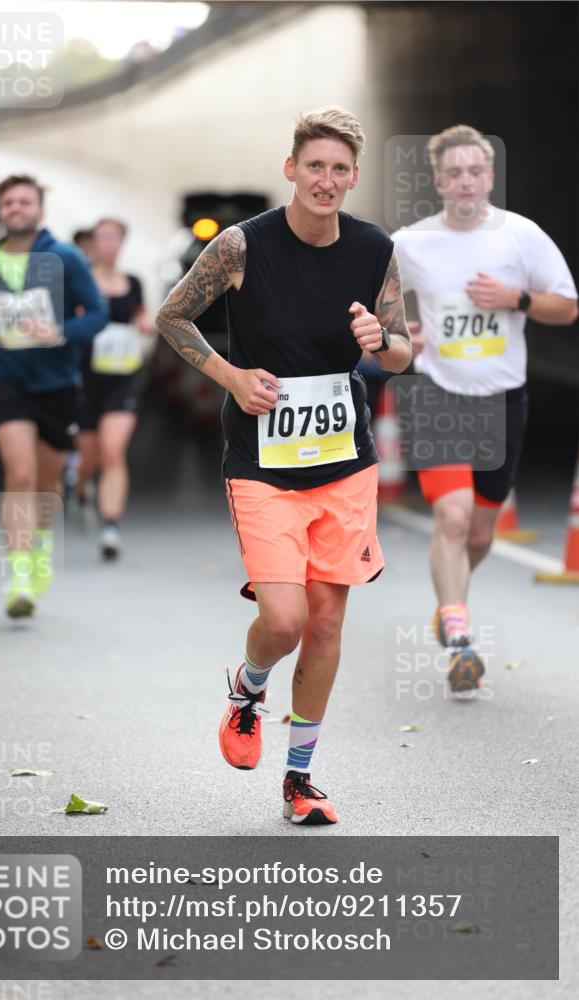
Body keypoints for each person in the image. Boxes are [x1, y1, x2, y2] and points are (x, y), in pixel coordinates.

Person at [157, 107, 412, 825]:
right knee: (284, 618)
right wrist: (231, 376)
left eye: (339, 169)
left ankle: (299, 780)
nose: (325, 180)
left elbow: (400, 352)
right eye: (314, 166)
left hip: (343, 462)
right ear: (291, 168)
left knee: (325, 625)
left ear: (353, 177)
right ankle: (247, 686)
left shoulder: (373, 248)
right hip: (262, 461)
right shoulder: (241, 246)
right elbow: (172, 316)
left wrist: (380, 340)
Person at [392, 125, 578, 691]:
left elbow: (567, 307)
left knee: (478, 535)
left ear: (490, 176)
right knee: (451, 517)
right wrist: (398, 334)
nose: (466, 181)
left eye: (475, 170)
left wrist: (516, 298)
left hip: (502, 401)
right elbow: (370, 300)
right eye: (454, 172)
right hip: (438, 394)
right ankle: (460, 636)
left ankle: (450, 604)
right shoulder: (411, 243)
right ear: (438, 180)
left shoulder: (521, 236)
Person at [0, 174, 108, 618]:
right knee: (20, 474)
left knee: (47, 483)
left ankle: (40, 544)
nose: (16, 208)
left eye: (24, 201)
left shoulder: (65, 257)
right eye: (9, 202)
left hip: (58, 384)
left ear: (40, 211)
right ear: (0, 211)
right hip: (9, 381)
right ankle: (19, 576)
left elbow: (98, 314)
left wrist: (60, 332)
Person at [76, 218, 154, 560]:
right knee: (89, 456)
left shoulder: (133, 283)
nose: (108, 243)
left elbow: (139, 315)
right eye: (102, 237)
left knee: (112, 450)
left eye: (114, 237)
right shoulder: (80, 281)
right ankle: (81, 488)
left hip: (123, 375)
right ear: (92, 243)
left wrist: (144, 324)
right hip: (85, 378)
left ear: (122, 242)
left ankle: (110, 527)